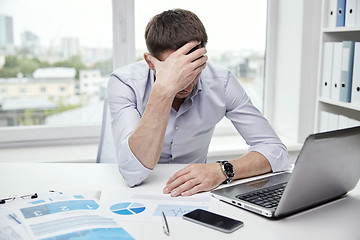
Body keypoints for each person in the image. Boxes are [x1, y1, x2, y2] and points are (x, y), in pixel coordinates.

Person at [107, 8, 290, 197]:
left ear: (203, 57)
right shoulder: (124, 82)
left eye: (193, 66)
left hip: (197, 192)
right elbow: (132, 174)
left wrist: (221, 170)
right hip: (140, 191)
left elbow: (276, 152)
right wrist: (163, 90)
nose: (185, 81)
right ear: (150, 62)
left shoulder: (222, 81)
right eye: (174, 68)